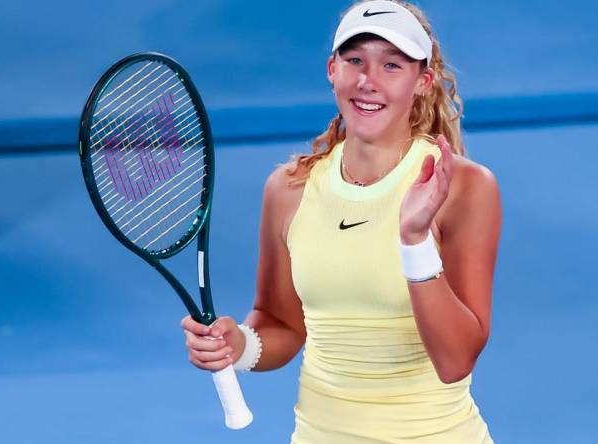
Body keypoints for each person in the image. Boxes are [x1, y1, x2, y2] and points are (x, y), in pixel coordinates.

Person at [181, 1, 501, 442]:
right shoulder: (288, 190)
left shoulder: (465, 188)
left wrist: (413, 240)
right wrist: (238, 344)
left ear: (422, 81)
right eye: (355, 61)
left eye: (392, 65)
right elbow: (282, 324)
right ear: (332, 70)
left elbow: (455, 360)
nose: (368, 81)